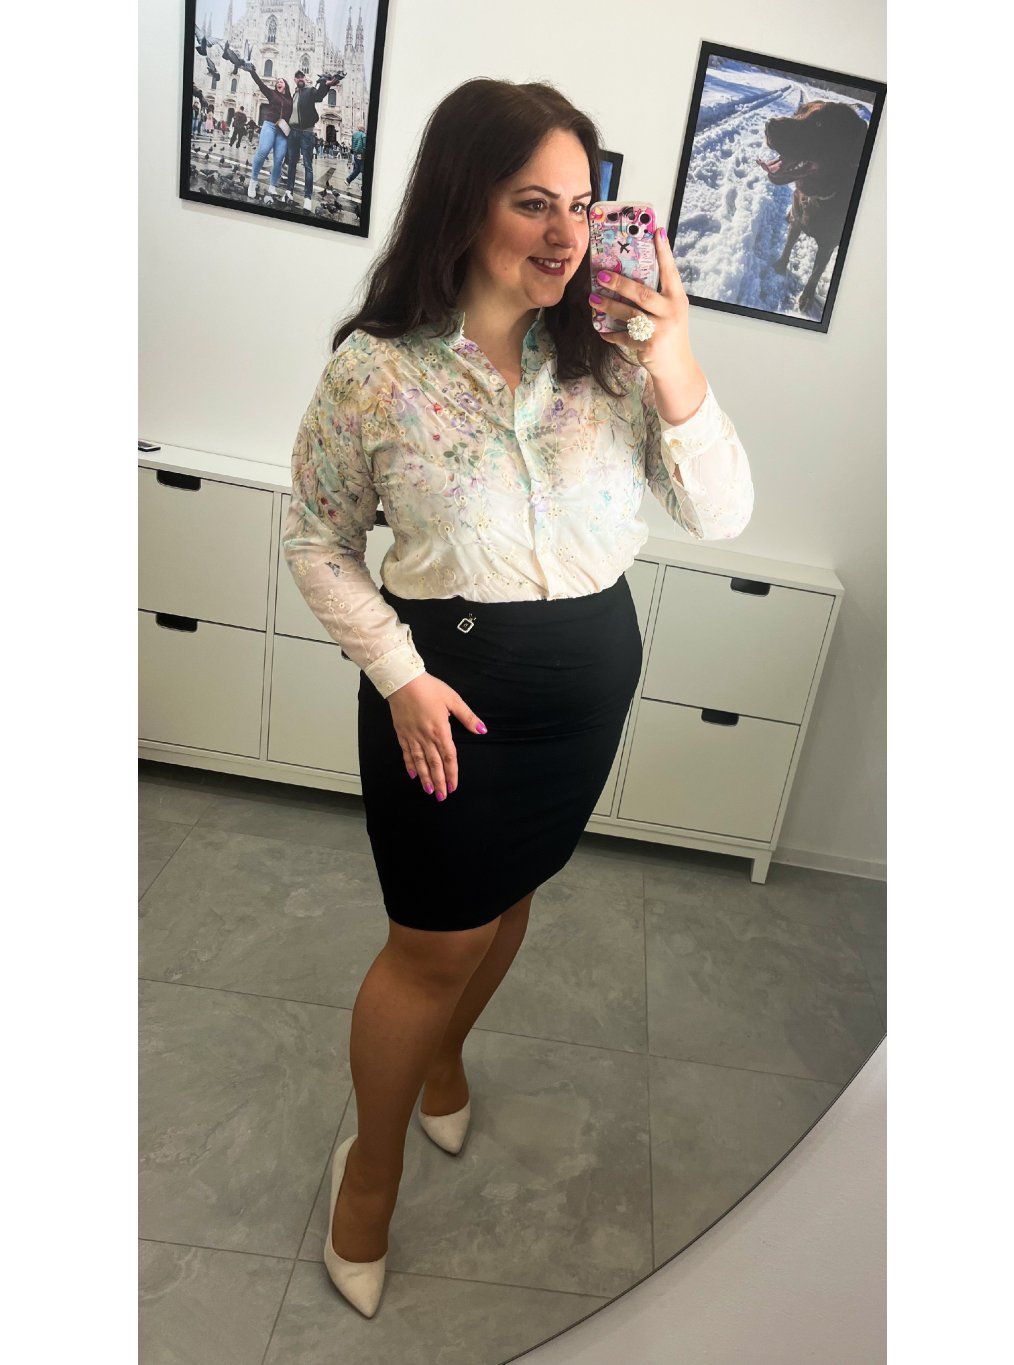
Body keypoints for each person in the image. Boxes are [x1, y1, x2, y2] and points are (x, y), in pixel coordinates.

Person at [281, 77, 754, 1320]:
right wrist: (398, 675)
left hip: (584, 685)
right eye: (532, 202)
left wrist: (674, 355)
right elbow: (317, 542)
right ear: (462, 202)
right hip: (447, 686)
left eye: (583, 206)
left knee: (508, 900)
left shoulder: (612, 365)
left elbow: (719, 513)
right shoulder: (375, 374)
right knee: (430, 942)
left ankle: (446, 1057)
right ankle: (369, 1170)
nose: (565, 234)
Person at [281, 67, 342, 210]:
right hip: (293, 133)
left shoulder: (309, 91)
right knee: (292, 164)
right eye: (297, 77)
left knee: (308, 166)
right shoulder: (295, 94)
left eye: (302, 76)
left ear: (305, 78)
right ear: (295, 80)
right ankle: (289, 192)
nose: (300, 78)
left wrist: (326, 84)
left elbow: (319, 95)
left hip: (306, 134)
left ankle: (307, 198)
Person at [243, 70, 292, 201]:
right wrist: (251, 71)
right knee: (263, 151)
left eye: (281, 81)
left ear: (286, 85)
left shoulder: (290, 99)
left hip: (283, 131)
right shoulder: (272, 94)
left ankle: (272, 186)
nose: (278, 83)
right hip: (270, 125)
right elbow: (260, 83)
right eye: (277, 82)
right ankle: (253, 181)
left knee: (279, 159)